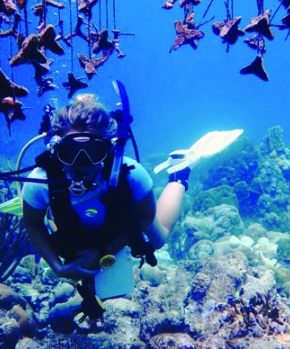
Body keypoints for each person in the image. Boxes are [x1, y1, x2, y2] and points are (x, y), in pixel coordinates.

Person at [21, 93, 189, 319]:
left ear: (106, 149)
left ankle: (178, 177)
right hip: (73, 224)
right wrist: (58, 267)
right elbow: (32, 223)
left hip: (122, 224)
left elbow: (145, 217)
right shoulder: (40, 181)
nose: (81, 163)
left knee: (158, 240)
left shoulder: (131, 173)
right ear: (56, 149)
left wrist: (104, 251)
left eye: (91, 152)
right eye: (70, 153)